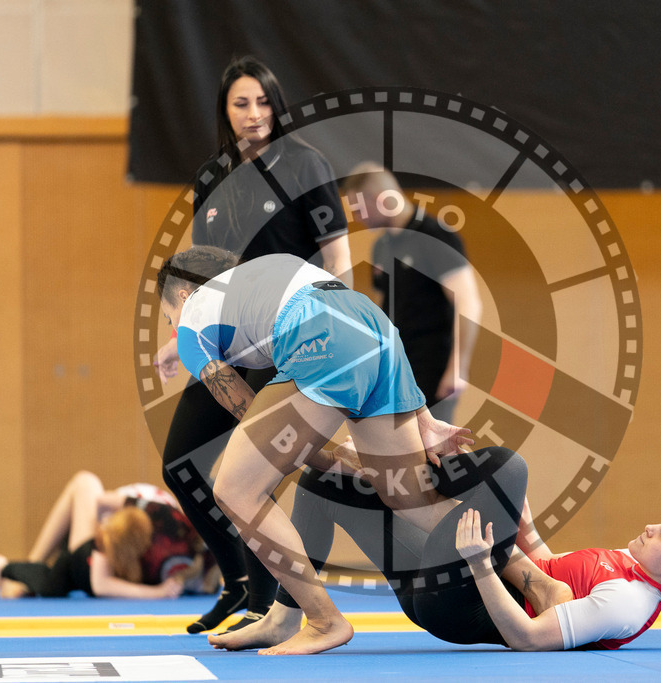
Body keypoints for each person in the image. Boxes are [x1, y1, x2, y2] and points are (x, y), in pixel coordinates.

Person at [156, 245, 474, 654]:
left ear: (182, 296)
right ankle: (536, 576)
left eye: (169, 318)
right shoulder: (263, 274)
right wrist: (423, 420)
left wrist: (336, 458)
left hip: (322, 334)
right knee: (413, 500)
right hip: (374, 325)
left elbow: (254, 420)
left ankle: (324, 620)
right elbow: (348, 317)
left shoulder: (192, 326)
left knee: (236, 488)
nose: (174, 326)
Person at [210, 444, 661, 652]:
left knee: (510, 466)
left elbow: (530, 637)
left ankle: (408, 461)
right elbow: (548, 571)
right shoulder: (628, 567)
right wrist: (519, 526)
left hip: (459, 603)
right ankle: (294, 614)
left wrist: (484, 562)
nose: (653, 526)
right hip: (455, 578)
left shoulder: (628, 603)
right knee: (324, 486)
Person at [152, 55, 352, 634]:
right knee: (181, 465)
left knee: (251, 476)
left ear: (276, 104)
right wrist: (179, 337)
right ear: (226, 110)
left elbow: (337, 255)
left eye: (263, 102)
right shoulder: (212, 176)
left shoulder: (306, 165)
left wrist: (331, 320)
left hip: (290, 339)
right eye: (242, 103)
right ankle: (238, 583)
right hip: (227, 345)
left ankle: (268, 601)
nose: (254, 113)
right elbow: (201, 273)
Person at [341, 164, 481, 422]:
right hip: (396, 369)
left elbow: (468, 302)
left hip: (431, 366)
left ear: (383, 200)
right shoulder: (382, 245)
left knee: (431, 453)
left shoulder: (436, 236)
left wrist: (457, 368)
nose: (357, 218)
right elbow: (384, 306)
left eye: (359, 209)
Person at [0, 471, 215, 599]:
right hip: (108, 538)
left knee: (85, 481)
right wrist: (157, 593)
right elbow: (101, 506)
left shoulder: (181, 534)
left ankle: (25, 569)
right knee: (87, 483)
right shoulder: (156, 511)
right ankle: (31, 564)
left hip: (113, 548)